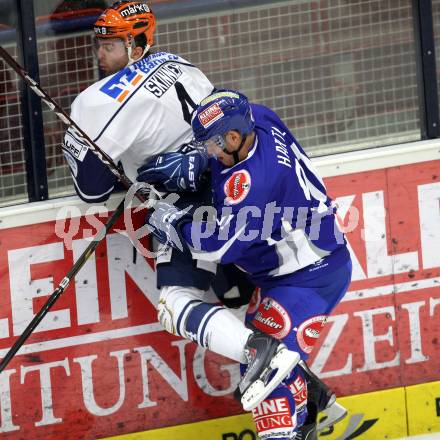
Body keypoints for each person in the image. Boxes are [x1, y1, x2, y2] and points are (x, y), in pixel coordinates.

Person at [62, 1, 301, 412]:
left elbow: (90, 189)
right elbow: (218, 125)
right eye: (98, 45)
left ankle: (262, 354)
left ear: (138, 43)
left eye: (112, 46)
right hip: (228, 190)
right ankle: (311, 397)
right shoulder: (179, 62)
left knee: (175, 301)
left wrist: (80, 143)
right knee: (239, 301)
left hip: (183, 205)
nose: (101, 54)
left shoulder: (96, 101)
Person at [145, 89, 353, 439]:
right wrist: (200, 162)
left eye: (212, 145)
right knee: (264, 357)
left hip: (310, 276)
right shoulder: (259, 117)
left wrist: (173, 222)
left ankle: (292, 429)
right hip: (294, 269)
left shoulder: (251, 183)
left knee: (263, 367)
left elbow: (216, 246)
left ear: (233, 137)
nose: (211, 152)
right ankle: (311, 413)